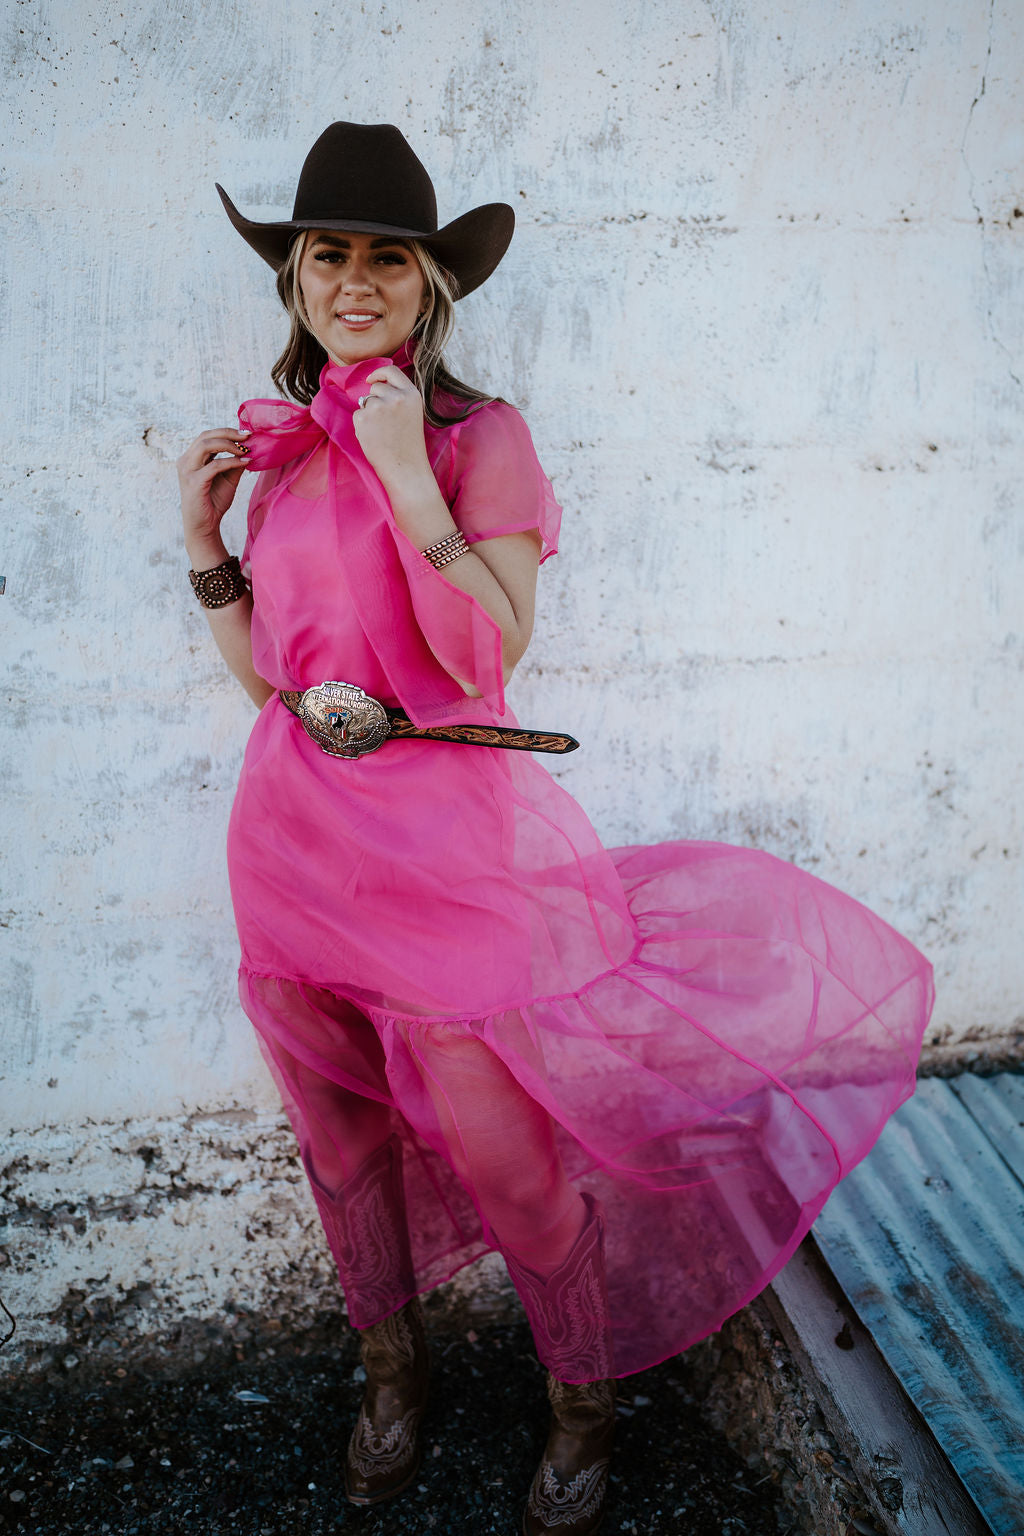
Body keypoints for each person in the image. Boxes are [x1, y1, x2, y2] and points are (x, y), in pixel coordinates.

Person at [177, 122, 934, 1535]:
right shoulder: (275, 453)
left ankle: (581, 1400)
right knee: (337, 1145)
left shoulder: (479, 438)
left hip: (448, 852)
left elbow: (484, 654)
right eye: (325, 254)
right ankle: (391, 1378)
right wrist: (206, 540)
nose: (354, 279)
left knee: (510, 1162)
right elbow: (272, 681)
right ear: (292, 279)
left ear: (427, 286)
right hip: (288, 842)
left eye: (384, 259)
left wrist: (408, 476)